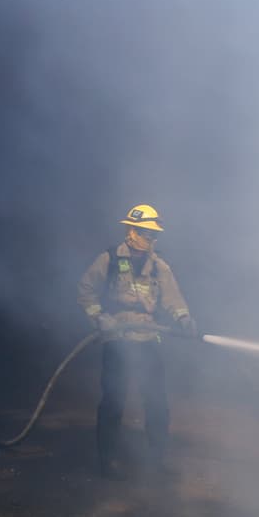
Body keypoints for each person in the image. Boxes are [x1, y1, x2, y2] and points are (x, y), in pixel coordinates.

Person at [78, 203, 198, 478]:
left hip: (147, 339)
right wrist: (100, 318)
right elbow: (85, 291)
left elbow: (173, 298)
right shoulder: (108, 260)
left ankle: (156, 463)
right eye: (146, 233)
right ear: (131, 231)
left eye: (154, 235)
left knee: (156, 402)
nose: (151, 239)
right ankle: (107, 464)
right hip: (117, 339)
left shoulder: (159, 266)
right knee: (113, 401)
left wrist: (184, 318)